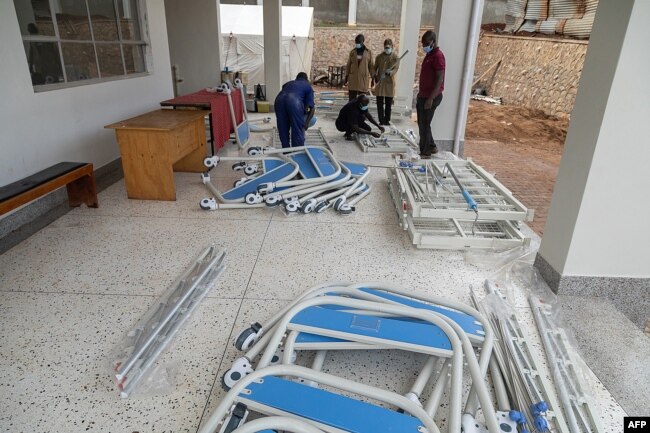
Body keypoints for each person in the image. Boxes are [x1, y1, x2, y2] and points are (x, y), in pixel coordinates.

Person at [416, 30, 445, 158]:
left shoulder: (438, 56)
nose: (424, 46)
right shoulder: (430, 55)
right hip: (424, 95)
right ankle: (432, 146)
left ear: (433, 42)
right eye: (422, 44)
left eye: (426, 43)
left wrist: (430, 98)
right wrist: (420, 94)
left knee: (424, 124)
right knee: (423, 122)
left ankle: (425, 152)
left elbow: (440, 78)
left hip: (432, 97)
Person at [274, 72, 315, 148]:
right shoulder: (307, 85)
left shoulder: (288, 83)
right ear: (306, 79)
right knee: (297, 129)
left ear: (296, 78)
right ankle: (297, 153)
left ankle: (285, 151)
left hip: (278, 100)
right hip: (294, 101)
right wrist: (306, 123)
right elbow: (312, 108)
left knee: (282, 127)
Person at [373, 38, 399, 125]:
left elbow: (396, 69)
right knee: (379, 103)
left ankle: (387, 120)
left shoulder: (395, 58)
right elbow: (374, 67)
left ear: (392, 47)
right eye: (386, 47)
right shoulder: (379, 57)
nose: (387, 49)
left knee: (388, 104)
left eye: (389, 47)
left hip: (389, 83)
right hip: (380, 82)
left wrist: (390, 72)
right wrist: (375, 76)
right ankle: (381, 120)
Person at [344, 34, 374, 101]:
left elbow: (371, 66)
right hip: (353, 80)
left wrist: (373, 78)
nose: (357, 44)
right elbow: (348, 65)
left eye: (359, 42)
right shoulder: (352, 52)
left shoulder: (368, 53)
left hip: (363, 80)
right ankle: (352, 111)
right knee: (352, 100)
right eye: (356, 42)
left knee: (362, 101)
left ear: (362, 42)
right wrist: (346, 77)